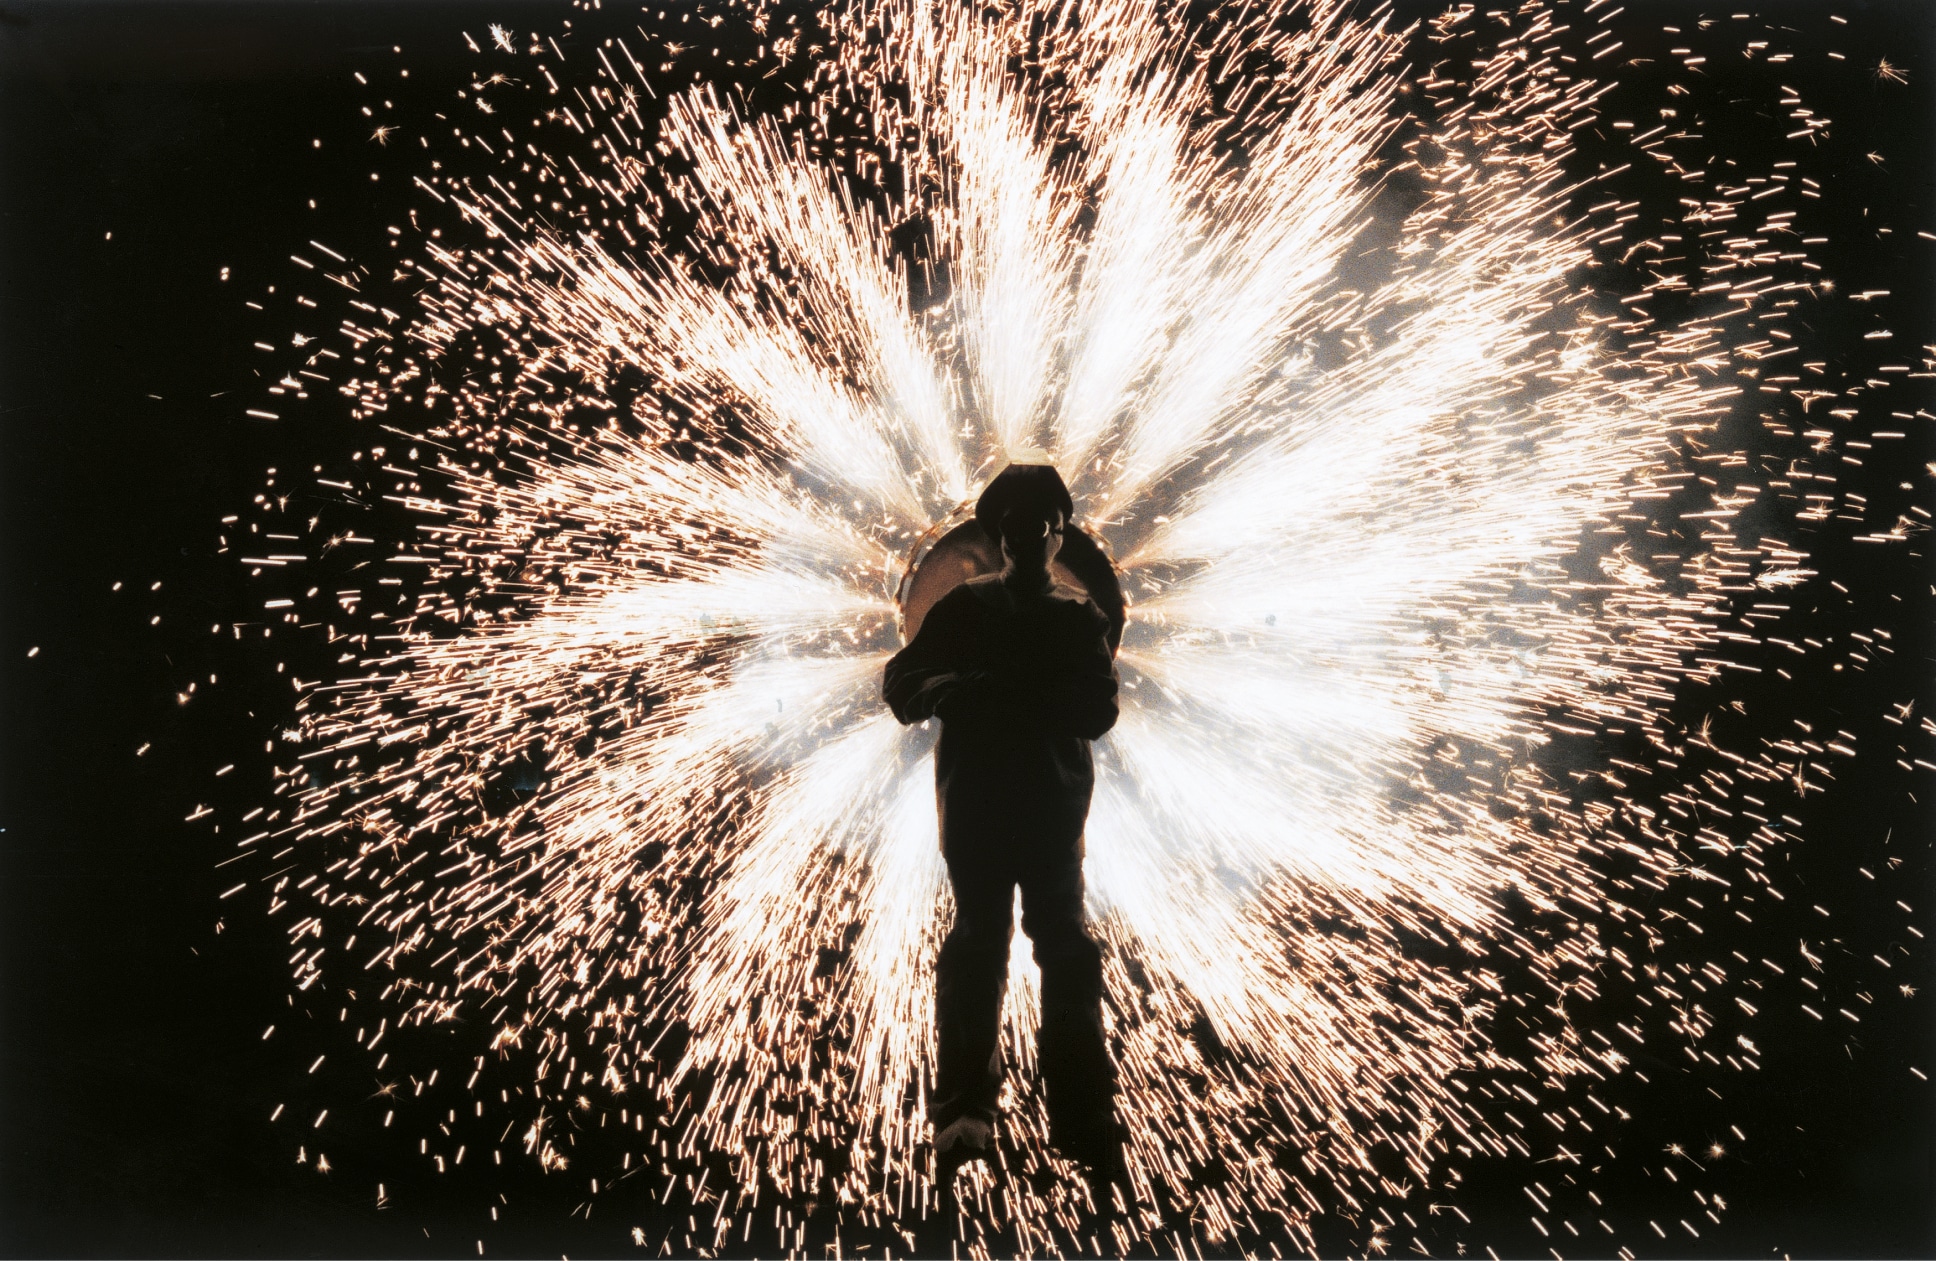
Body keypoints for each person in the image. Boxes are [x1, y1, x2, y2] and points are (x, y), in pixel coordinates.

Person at [882, 463, 1126, 1191]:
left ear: (1058, 534)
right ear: (1001, 535)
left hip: (1041, 817)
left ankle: (1074, 1112)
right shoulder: (966, 610)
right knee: (985, 950)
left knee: (1057, 951)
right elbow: (902, 684)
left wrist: (1016, 694)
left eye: (1043, 524)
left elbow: (1099, 709)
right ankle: (974, 1113)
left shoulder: (1076, 618)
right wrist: (960, 687)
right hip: (993, 817)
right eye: (1018, 525)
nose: (1031, 537)